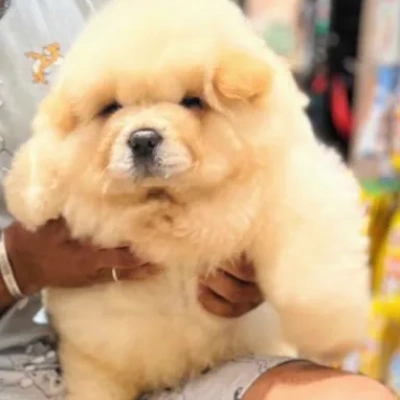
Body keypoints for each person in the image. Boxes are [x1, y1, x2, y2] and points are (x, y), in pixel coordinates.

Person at [0, 1, 395, 399]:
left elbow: (291, 170)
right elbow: (49, 146)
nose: (144, 132)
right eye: (113, 108)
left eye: (190, 102)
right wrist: (14, 264)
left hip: (220, 350)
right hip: (77, 361)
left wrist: (265, 274)